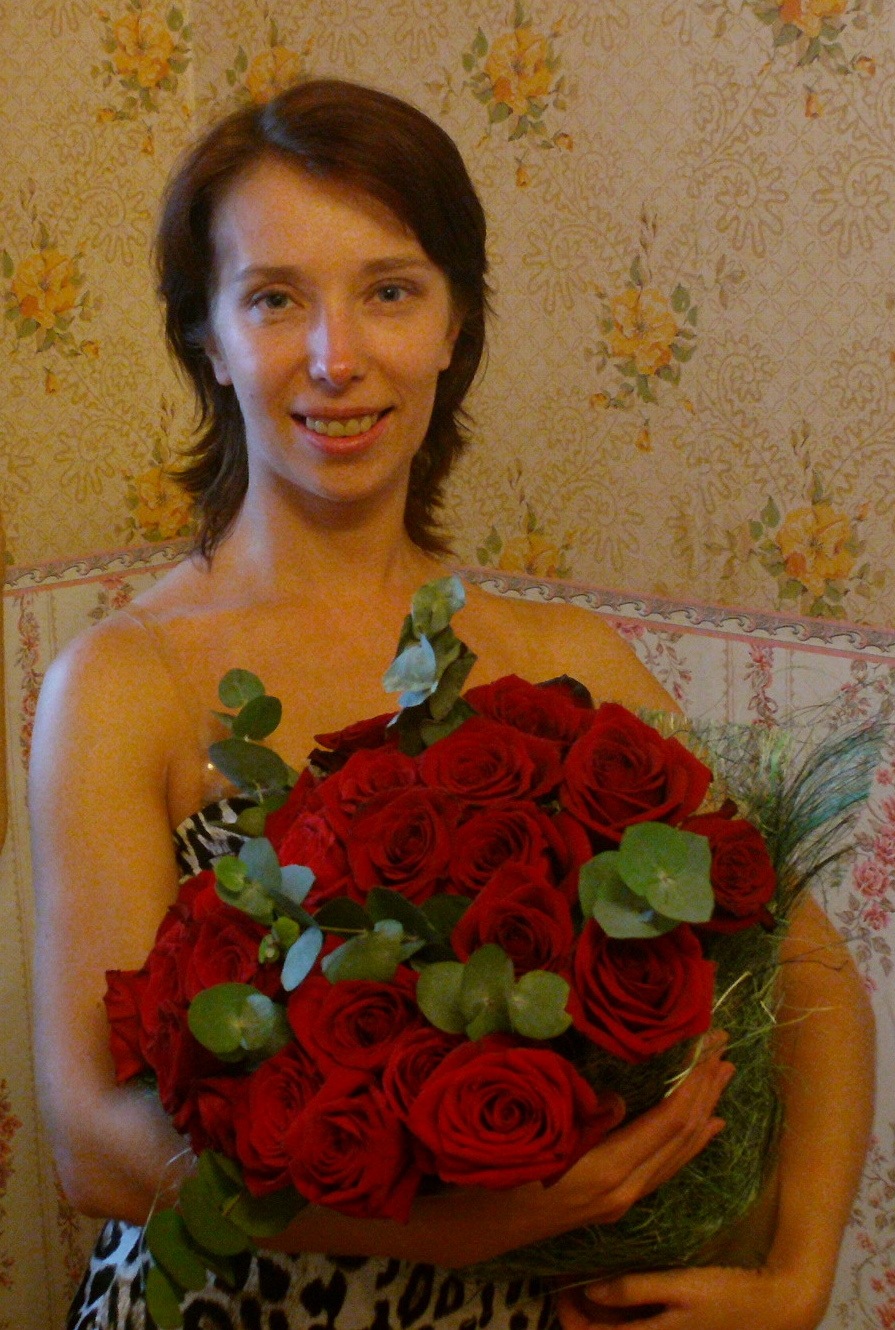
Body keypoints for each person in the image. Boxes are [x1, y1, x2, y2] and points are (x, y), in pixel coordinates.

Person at [29, 79, 873, 1330]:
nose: (336, 357)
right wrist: (476, 1223)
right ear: (207, 338)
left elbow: (815, 981)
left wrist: (795, 1279)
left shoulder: (562, 657)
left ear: (453, 325)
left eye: (389, 290)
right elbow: (95, 1145)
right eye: (274, 299)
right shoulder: (123, 680)